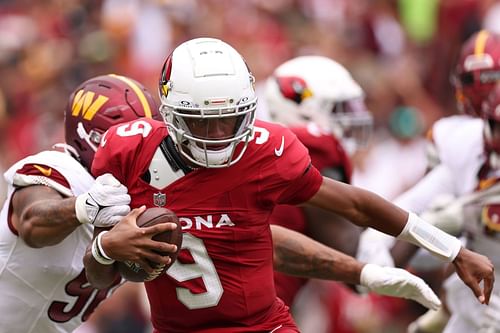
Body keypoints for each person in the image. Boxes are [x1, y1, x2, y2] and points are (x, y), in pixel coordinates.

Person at [84, 37, 493, 333]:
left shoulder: (269, 151)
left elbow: (352, 206)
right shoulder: (129, 153)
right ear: (170, 113)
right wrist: (104, 248)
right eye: (202, 122)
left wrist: (451, 247)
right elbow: (104, 276)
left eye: (231, 118)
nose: (219, 135)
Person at [0, 74, 177, 333]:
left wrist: (106, 249)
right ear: (94, 138)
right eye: (137, 144)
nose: (148, 155)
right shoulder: (61, 168)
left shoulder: (133, 197)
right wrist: (83, 208)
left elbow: (100, 277)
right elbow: (30, 222)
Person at [356, 29, 500, 333]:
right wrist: (376, 243)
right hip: (479, 293)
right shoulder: (462, 140)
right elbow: (412, 209)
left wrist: (465, 215)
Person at [263, 55, 372, 305]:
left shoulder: (270, 149)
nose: (354, 117)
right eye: (340, 108)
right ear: (304, 109)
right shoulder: (310, 149)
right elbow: (360, 267)